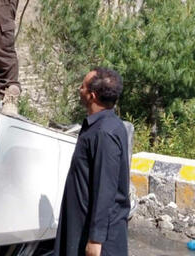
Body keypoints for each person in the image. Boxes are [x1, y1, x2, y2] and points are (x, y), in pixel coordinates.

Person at [54, 68, 130, 256]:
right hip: (81, 226)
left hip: (99, 240)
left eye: (82, 87)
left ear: (92, 96)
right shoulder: (102, 125)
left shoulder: (104, 133)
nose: (79, 89)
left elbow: (106, 188)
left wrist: (96, 239)